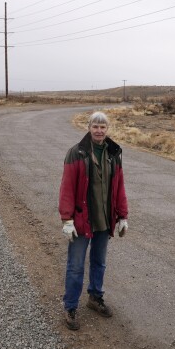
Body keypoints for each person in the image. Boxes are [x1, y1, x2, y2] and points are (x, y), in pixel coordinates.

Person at [58, 111, 129, 331]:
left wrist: (123, 216)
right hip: (81, 221)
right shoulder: (76, 153)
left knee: (99, 262)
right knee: (76, 266)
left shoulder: (113, 153)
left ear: (108, 129)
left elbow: (119, 187)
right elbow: (67, 188)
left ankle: (95, 297)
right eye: (95, 126)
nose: (99, 130)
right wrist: (67, 219)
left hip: (104, 221)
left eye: (103, 127)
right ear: (88, 127)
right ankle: (70, 307)